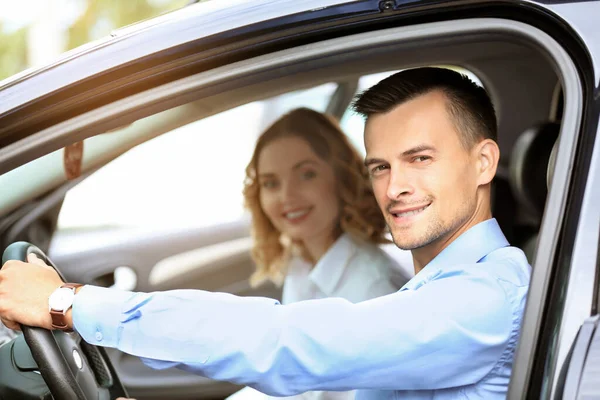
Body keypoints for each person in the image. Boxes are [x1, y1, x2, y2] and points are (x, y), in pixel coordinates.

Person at [0, 67, 531, 400]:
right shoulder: (438, 288)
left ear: (483, 162)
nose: (395, 188)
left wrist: (68, 303)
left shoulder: (483, 299)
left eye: (420, 159)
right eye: (380, 167)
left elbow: (286, 343)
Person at [231, 107, 408, 400]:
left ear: (341, 177)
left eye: (306, 174)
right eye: (271, 183)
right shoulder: (301, 265)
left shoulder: (374, 291)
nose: (287, 196)